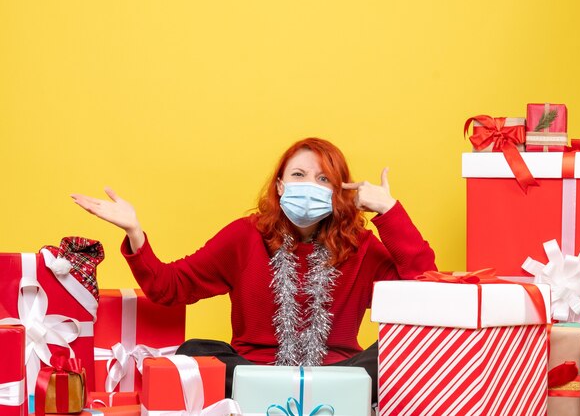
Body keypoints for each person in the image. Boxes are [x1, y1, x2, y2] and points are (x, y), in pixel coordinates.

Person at [71, 137, 436, 401]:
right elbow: (170, 287)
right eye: (298, 175)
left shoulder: (361, 245)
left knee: (401, 350)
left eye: (323, 179)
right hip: (252, 372)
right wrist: (135, 232)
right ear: (279, 186)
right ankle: (273, 392)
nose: (310, 185)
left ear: (339, 191)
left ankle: (316, 393)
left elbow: (425, 289)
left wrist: (389, 211)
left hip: (339, 376)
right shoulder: (244, 236)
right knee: (194, 350)